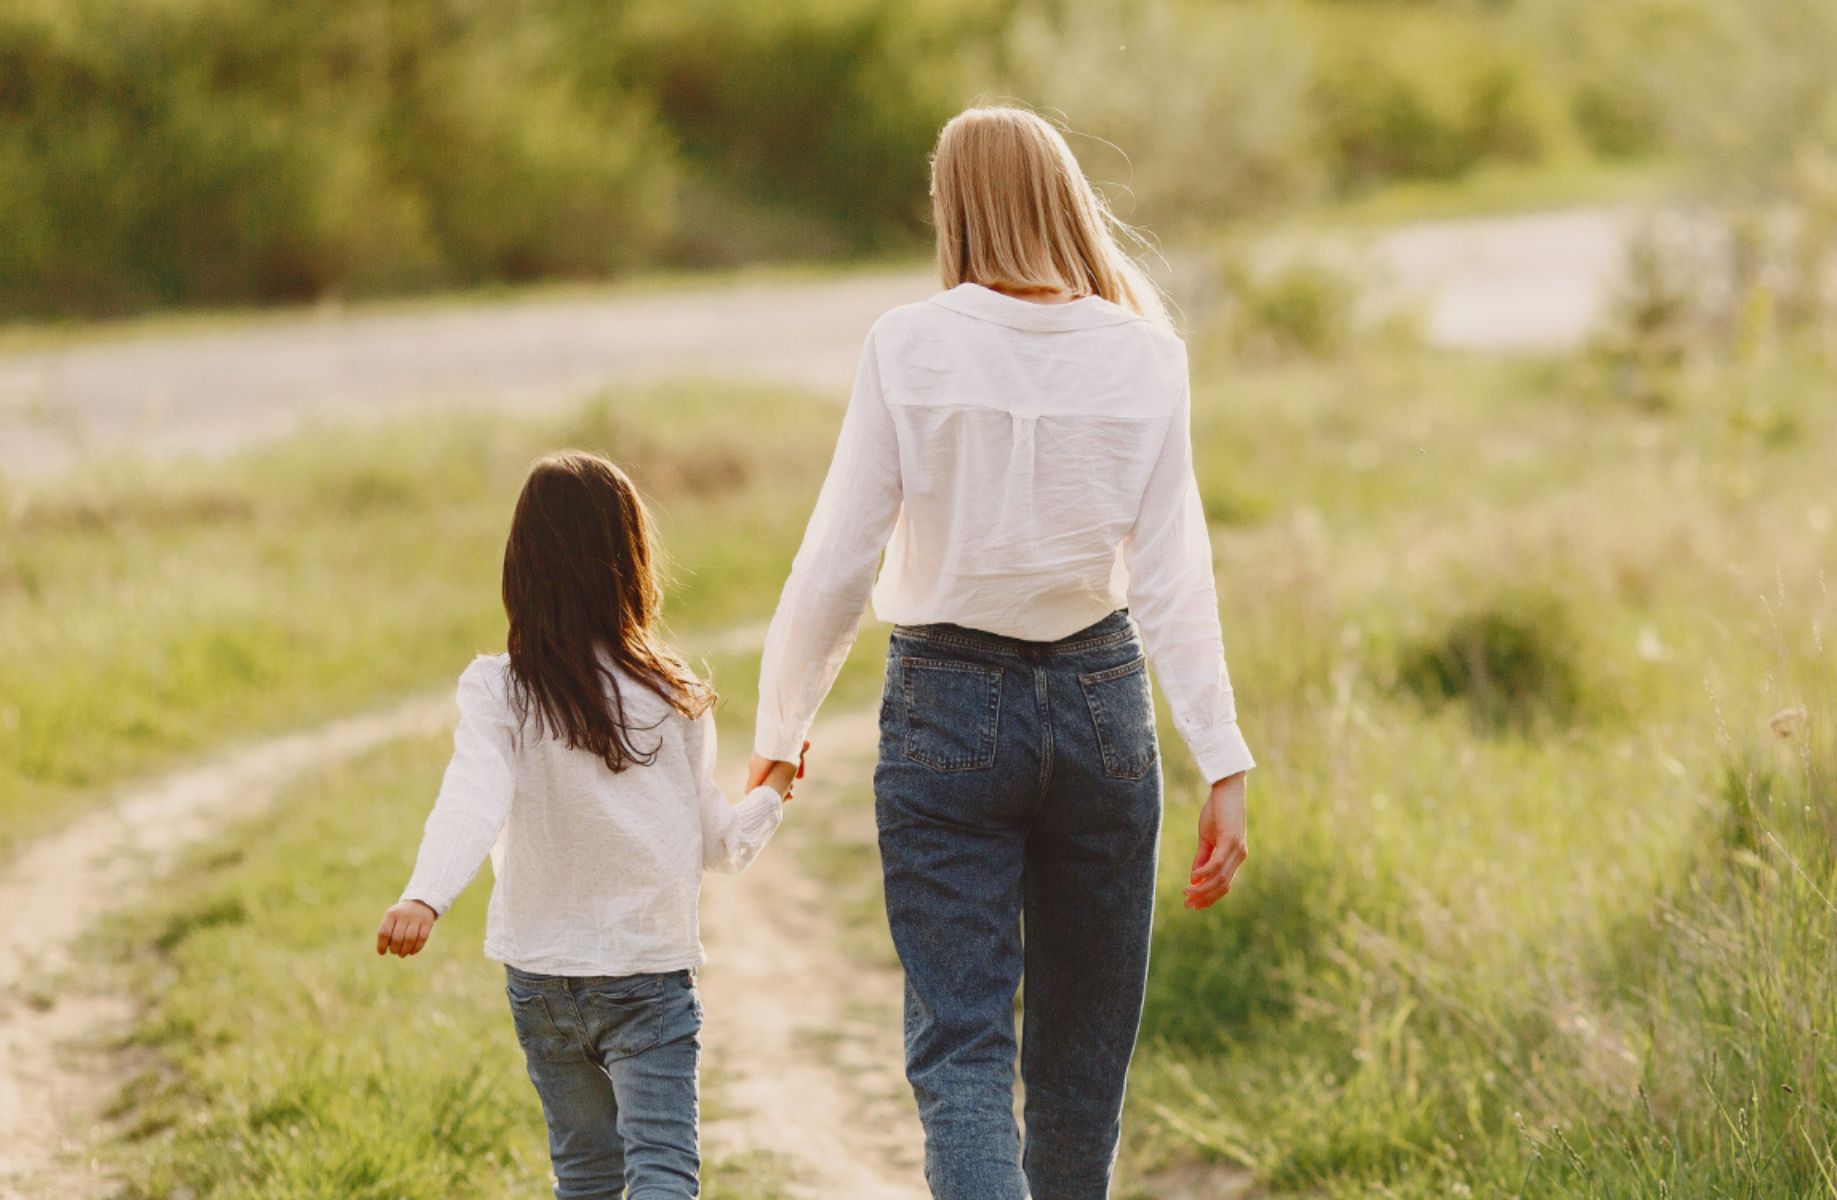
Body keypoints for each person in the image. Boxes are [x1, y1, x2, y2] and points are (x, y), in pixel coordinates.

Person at [745, 106, 1254, 1200]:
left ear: (959, 211)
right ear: (1064, 198)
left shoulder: (908, 343)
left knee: (962, 1048)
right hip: (1103, 704)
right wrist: (1223, 758)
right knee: (1083, 1066)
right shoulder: (1147, 356)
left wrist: (781, 728)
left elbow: (837, 560)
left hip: (947, 703)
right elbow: (1173, 578)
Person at [374, 450, 787, 1200]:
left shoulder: (501, 690)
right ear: (631, 563)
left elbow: (473, 795)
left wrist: (425, 895)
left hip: (541, 976)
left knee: (587, 1178)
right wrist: (775, 789)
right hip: (647, 973)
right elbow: (721, 847)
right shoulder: (674, 696)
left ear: (522, 568)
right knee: (663, 1169)